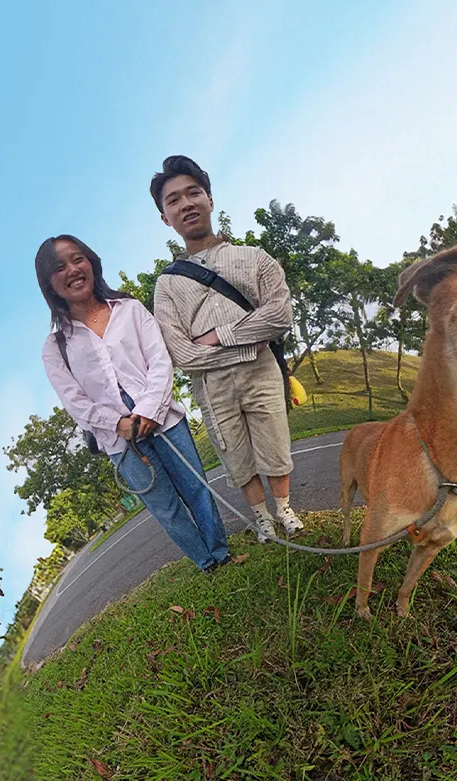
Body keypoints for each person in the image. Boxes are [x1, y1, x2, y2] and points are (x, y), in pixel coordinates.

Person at [35, 233, 231, 573]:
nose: (72, 270)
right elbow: (74, 401)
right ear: (49, 283)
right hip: (118, 440)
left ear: (92, 262)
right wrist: (118, 425)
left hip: (164, 420)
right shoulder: (55, 346)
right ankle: (206, 563)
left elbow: (160, 361)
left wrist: (149, 410)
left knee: (196, 488)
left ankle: (221, 552)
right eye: (59, 267)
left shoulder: (130, 309)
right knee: (164, 506)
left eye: (77, 259)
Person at [148, 155, 303, 542]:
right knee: (235, 452)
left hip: (262, 371)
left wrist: (219, 336)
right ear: (165, 217)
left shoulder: (254, 259)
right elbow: (182, 353)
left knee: (274, 439)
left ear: (210, 200)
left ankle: (284, 509)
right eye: (173, 200)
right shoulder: (166, 285)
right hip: (212, 385)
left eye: (193, 193)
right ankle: (261, 517)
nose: (186, 204)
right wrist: (251, 342)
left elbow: (280, 315)